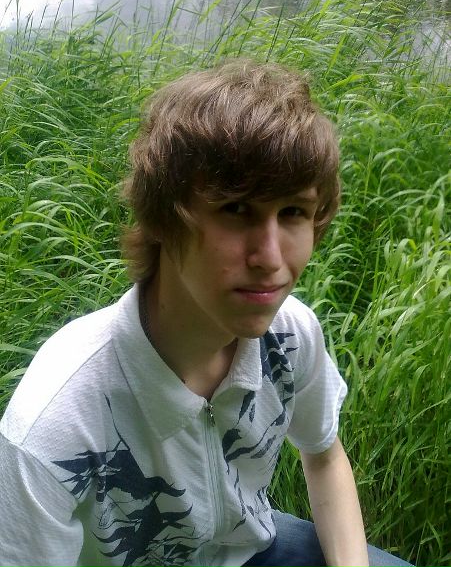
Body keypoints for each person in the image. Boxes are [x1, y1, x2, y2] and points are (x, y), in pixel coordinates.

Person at [0, 60, 413, 567]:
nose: (271, 258)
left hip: (251, 550)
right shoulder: (54, 424)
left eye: (293, 212)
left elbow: (324, 457)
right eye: (235, 209)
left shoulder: (291, 334)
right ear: (163, 217)